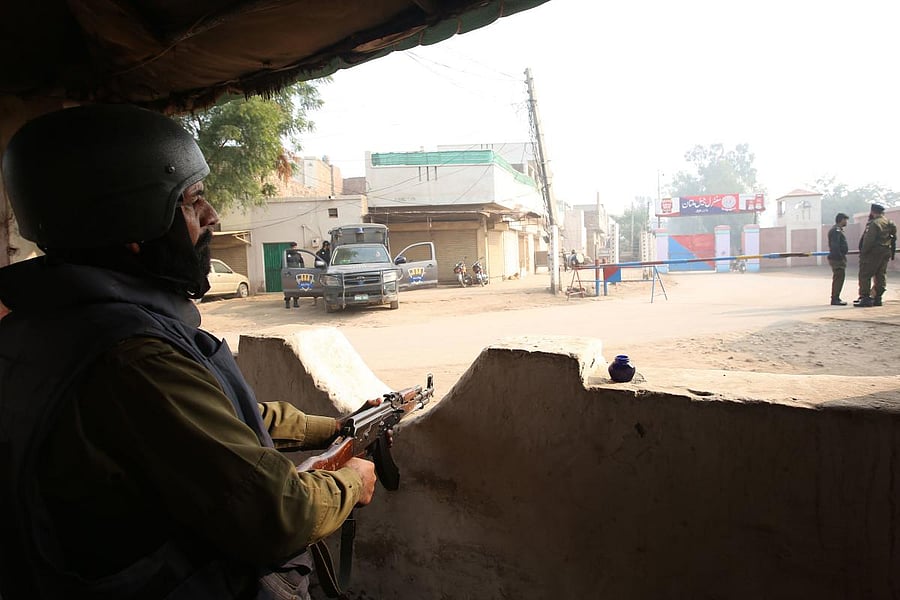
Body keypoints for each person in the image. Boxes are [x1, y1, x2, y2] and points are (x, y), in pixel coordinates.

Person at [0, 104, 377, 599]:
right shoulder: (130, 356)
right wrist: (350, 480)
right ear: (132, 223)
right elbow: (280, 513)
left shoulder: (39, 328)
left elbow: (200, 424)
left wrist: (334, 427)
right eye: (193, 199)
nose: (212, 217)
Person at [855, 203, 897, 308]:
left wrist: (863, 253)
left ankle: (865, 298)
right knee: (880, 274)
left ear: (873, 212)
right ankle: (877, 297)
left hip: (873, 253)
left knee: (865, 274)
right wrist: (892, 252)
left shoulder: (874, 224)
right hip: (885, 251)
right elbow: (893, 238)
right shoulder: (889, 222)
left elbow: (869, 240)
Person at [827, 212, 850, 305]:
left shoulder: (838, 230)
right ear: (841, 220)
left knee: (839, 278)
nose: (846, 222)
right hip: (837, 259)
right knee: (838, 278)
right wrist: (840, 258)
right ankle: (835, 298)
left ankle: (836, 297)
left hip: (838, 258)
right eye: (845, 220)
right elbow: (835, 246)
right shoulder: (836, 231)